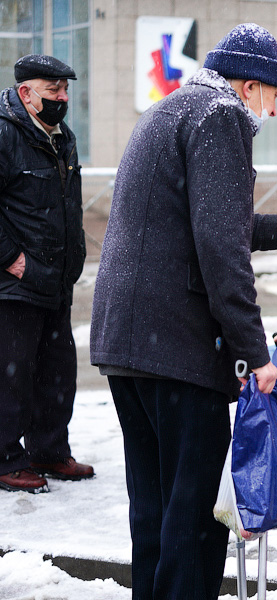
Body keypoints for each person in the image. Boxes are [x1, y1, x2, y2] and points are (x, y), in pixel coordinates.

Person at [89, 23, 277, 599]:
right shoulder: (220, 115)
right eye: (272, 99)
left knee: (153, 507)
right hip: (177, 346)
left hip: (129, 343)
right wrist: (256, 353)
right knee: (197, 515)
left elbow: (189, 217)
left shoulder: (172, 107)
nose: (270, 115)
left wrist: (275, 229)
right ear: (250, 87)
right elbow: (219, 247)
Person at [0, 54, 94, 494]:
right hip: (16, 283)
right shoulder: (4, 133)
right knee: (11, 374)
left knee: (57, 373)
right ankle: (5, 458)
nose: (63, 98)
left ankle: (49, 451)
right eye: (53, 90)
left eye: (64, 89)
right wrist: (12, 260)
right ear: (25, 93)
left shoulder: (63, 138)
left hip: (56, 281)